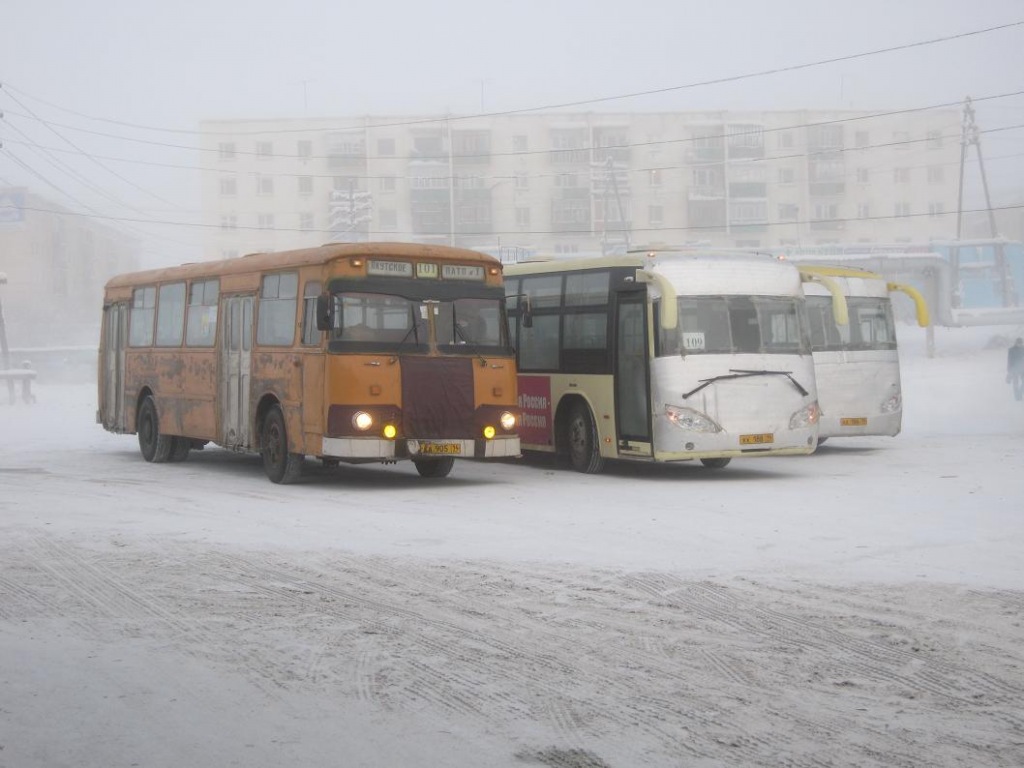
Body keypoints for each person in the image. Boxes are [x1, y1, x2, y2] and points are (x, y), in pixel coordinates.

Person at [1008, 337, 1024, 401]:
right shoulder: (1011, 350)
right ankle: (1017, 396)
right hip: (1014, 368)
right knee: (1015, 383)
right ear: (1016, 342)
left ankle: (1020, 392)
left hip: (1022, 368)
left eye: (1021, 342)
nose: (1020, 344)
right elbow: (1009, 360)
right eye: (1019, 342)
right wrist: (1009, 370)